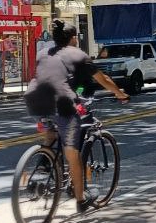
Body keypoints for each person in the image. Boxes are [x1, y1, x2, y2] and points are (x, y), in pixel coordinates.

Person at [24, 21, 130, 213]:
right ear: (73, 38)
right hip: (62, 103)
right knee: (71, 152)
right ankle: (80, 200)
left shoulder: (42, 53)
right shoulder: (78, 54)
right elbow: (103, 79)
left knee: (51, 134)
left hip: (34, 100)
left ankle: (44, 165)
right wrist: (120, 94)